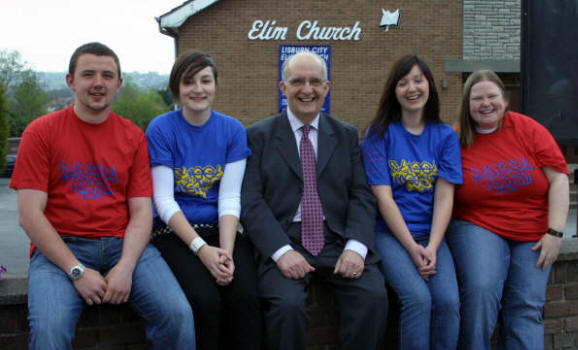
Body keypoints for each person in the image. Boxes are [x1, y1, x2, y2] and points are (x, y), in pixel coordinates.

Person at [10, 42, 195, 349]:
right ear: (70, 81)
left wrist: (125, 266)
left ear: (118, 84)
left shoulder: (133, 136)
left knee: (177, 315)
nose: (98, 82)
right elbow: (30, 214)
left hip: (123, 245)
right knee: (49, 333)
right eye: (88, 74)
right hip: (61, 249)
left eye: (107, 75)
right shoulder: (40, 133)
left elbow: (141, 212)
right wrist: (77, 270)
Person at [241, 50, 388, 350]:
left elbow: (361, 194)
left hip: (336, 240)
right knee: (287, 308)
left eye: (315, 82)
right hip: (285, 239)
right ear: (283, 88)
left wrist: (356, 248)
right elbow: (251, 202)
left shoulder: (346, 135)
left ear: (327, 87)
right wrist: (281, 252)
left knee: (373, 297)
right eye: (297, 81)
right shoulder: (258, 136)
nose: (307, 89)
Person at [145, 50, 261, 350]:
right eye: (189, 82)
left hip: (222, 229)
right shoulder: (161, 129)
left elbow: (230, 196)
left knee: (246, 297)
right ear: (177, 89)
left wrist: (225, 252)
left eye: (205, 80)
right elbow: (163, 199)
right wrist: (201, 250)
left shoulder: (232, 130)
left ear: (216, 85)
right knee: (204, 300)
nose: (198, 89)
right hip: (176, 233)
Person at [447, 69, 569, 349]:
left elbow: (559, 178)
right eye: (477, 98)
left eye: (492, 96)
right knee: (481, 290)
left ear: (505, 98)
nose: (486, 103)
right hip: (477, 224)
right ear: (467, 104)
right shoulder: (454, 138)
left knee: (525, 304)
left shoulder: (529, 129)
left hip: (534, 231)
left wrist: (555, 233)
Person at [362, 54, 462, 349]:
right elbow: (384, 197)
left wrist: (431, 246)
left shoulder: (444, 136)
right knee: (418, 299)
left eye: (418, 80)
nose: (412, 88)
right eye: (403, 82)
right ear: (394, 91)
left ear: (429, 85)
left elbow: (445, 196)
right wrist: (412, 248)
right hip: (390, 235)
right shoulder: (379, 134)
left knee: (448, 301)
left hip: (431, 235)